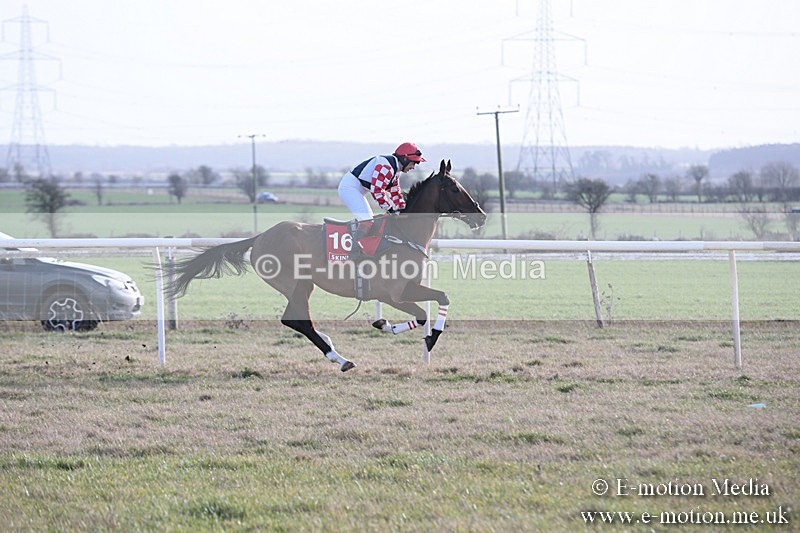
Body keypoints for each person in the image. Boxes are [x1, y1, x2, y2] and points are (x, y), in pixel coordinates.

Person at [337, 142, 426, 259]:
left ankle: (362, 248)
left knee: (369, 219)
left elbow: (395, 192)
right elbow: (377, 190)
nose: (413, 167)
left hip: (358, 188)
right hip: (349, 187)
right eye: (413, 162)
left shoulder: (395, 171)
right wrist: (389, 209)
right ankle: (353, 254)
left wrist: (403, 209)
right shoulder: (387, 167)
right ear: (404, 159)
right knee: (367, 220)